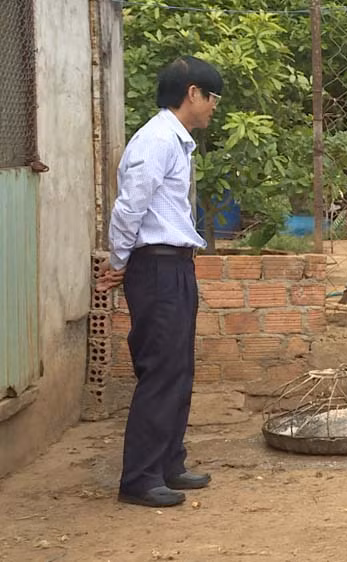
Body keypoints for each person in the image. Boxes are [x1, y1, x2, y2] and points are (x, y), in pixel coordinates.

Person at [95, 55, 223, 508]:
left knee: (178, 369)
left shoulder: (174, 140)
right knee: (161, 371)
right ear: (193, 93)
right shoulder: (155, 141)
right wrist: (119, 259)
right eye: (212, 98)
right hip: (155, 265)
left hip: (174, 265)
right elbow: (129, 206)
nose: (214, 108)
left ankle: (169, 463)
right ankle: (140, 479)